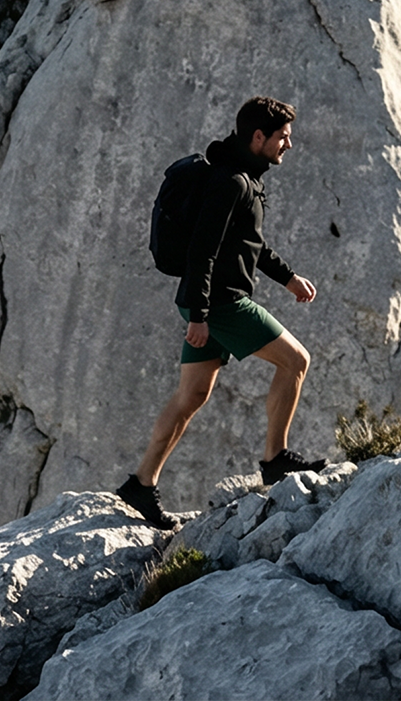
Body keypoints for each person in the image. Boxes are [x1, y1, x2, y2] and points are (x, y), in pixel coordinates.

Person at [114, 96, 323, 530]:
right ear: (258, 137)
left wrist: (288, 279)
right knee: (296, 361)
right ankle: (275, 458)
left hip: (206, 303)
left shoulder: (241, 178)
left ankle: (140, 484)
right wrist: (200, 315)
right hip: (221, 303)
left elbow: (249, 243)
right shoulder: (231, 182)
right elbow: (203, 251)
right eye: (283, 137)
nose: (289, 145)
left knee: (191, 396)